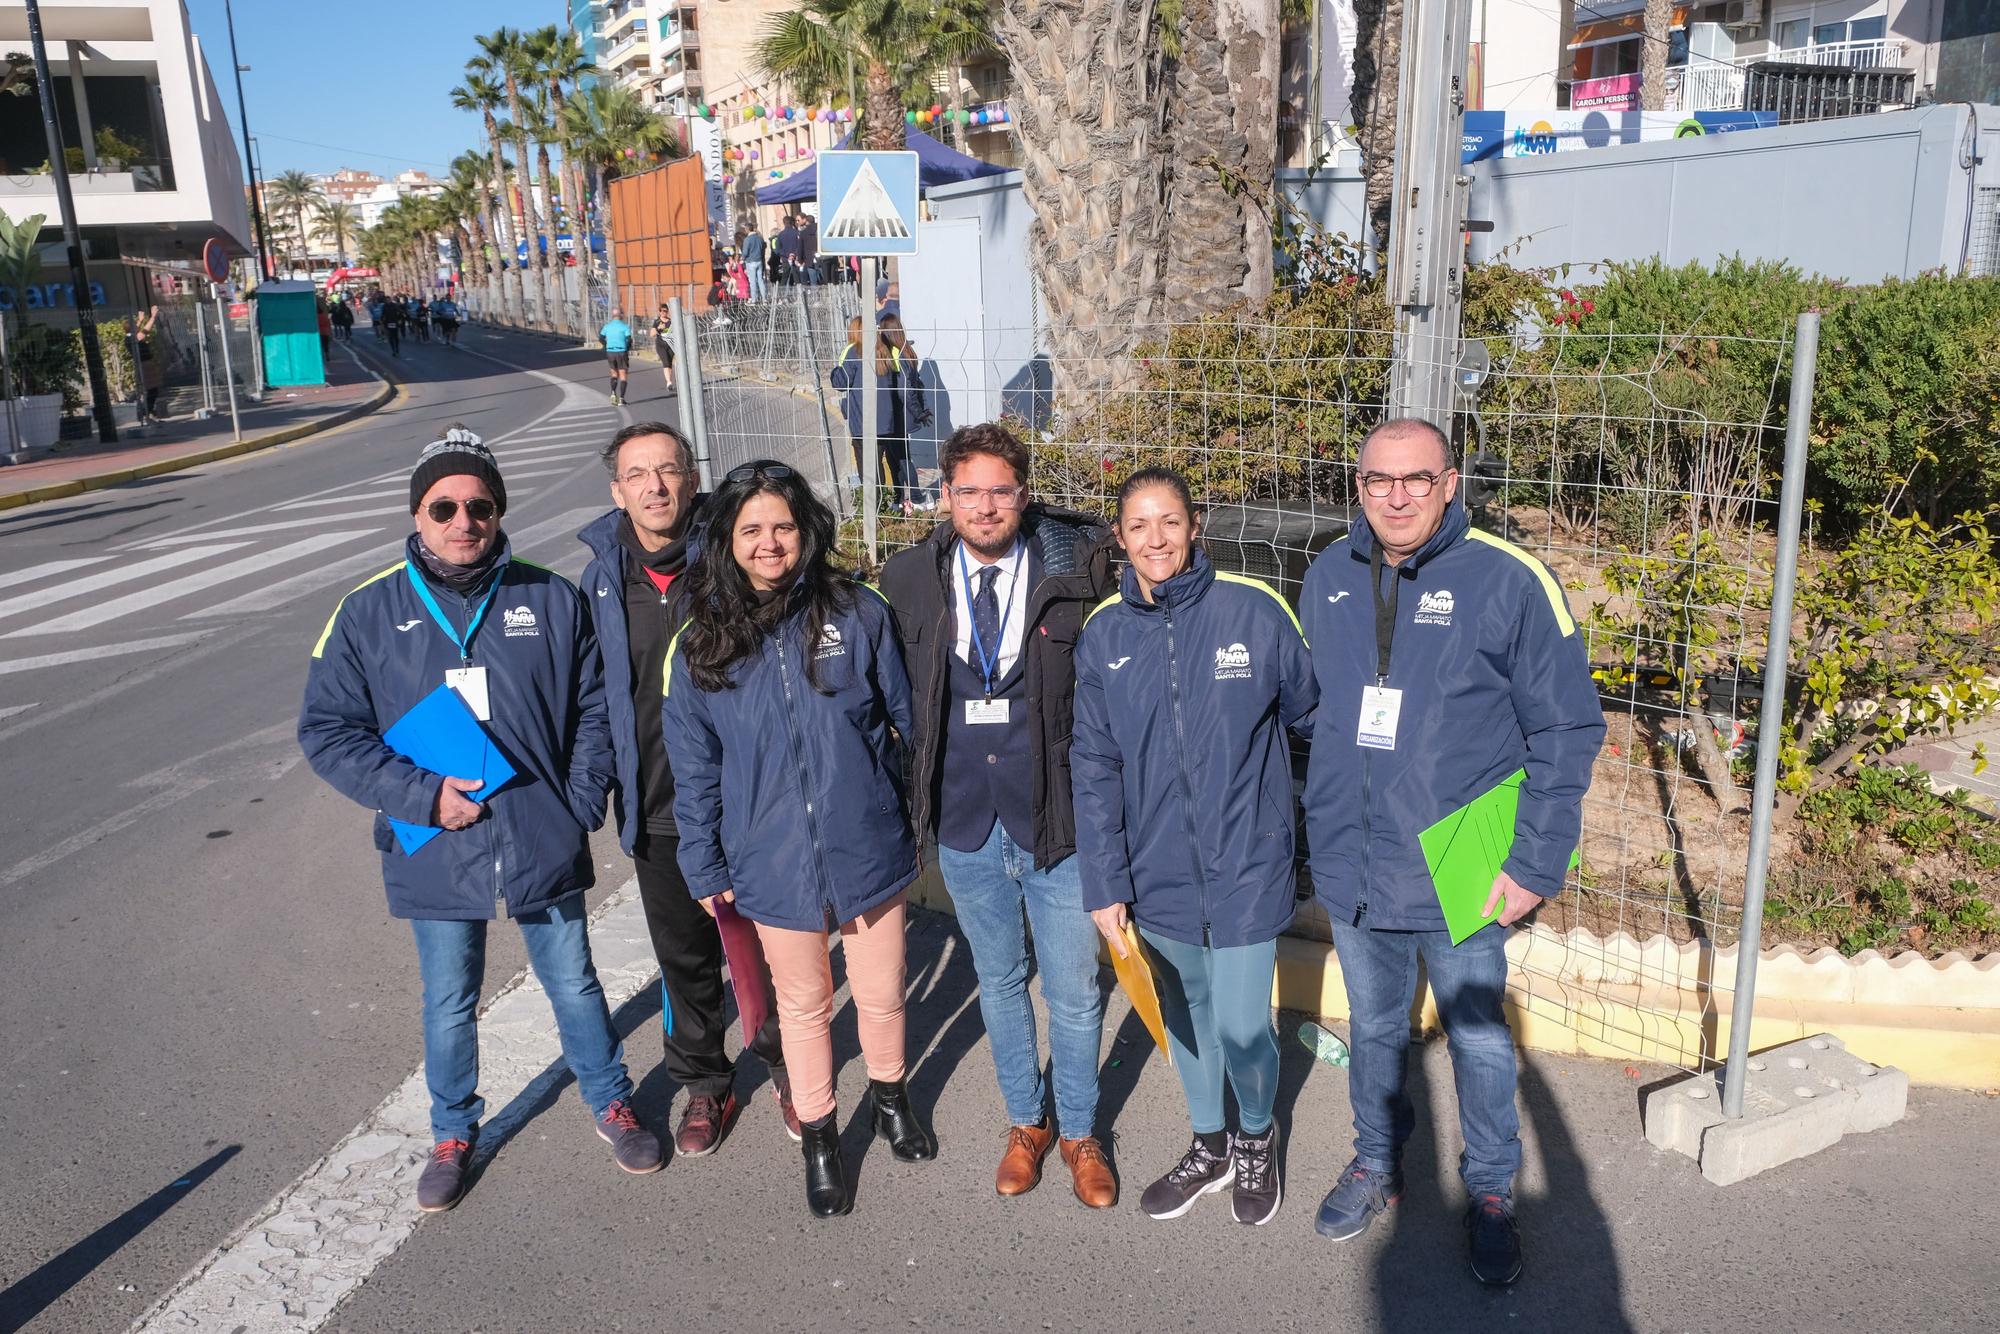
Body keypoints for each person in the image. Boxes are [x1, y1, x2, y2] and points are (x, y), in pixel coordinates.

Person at [298, 427, 663, 1214]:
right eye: (444, 506)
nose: (464, 521)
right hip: (435, 840)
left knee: (573, 980)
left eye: (481, 506)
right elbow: (326, 733)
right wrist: (419, 798)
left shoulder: (548, 596)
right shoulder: (366, 612)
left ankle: (610, 1102)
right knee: (447, 998)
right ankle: (453, 1130)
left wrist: (575, 802)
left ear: (499, 513)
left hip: (541, 831)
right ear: (418, 514)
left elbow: (594, 709)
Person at [1301, 417, 1604, 1286]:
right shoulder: (1326, 575)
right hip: (1360, 866)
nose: (1396, 497)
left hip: (1463, 866)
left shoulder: (1510, 581)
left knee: (1476, 1039)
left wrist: (1535, 864)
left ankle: (1492, 1190)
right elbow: (1314, 711)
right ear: (1357, 486)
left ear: (1451, 482)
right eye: (1377, 481)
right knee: (1375, 1031)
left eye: (1416, 480)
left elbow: (1568, 727)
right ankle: (1375, 1162)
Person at [661, 461, 935, 1218]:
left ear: (807, 530)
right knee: (806, 1006)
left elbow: (906, 725)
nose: (770, 542)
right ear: (727, 542)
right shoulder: (699, 647)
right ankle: (819, 1136)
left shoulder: (856, 612)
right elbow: (695, 770)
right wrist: (705, 859)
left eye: (783, 525)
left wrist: (914, 825)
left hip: (868, 844)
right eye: (751, 530)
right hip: (770, 860)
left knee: (881, 993)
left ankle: (890, 1098)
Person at [877, 423, 1119, 1209]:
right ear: (945, 495)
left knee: (1077, 991)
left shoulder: (1078, 567)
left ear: (1024, 494)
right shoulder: (908, 577)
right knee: (1001, 980)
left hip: (1057, 820)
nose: (985, 506)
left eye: (1001, 490)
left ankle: (1080, 1132)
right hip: (964, 821)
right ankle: (1026, 1122)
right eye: (969, 490)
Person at [1071, 467, 1318, 1226]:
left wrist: (1292, 828)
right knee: (1186, 1015)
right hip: (1158, 870)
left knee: (1244, 1024)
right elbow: (1095, 763)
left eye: (1169, 522)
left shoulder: (1255, 612)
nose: (1155, 539)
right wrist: (1105, 882)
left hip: (1247, 864)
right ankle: (1209, 1143)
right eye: (1139, 525)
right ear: (1119, 536)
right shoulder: (1105, 633)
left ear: (1194, 525)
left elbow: (1313, 722)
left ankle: (1254, 1136)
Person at [579, 423, 796, 1156]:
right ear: (617, 491)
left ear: (692, 479)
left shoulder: (731, 555)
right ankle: (706, 1084)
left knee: (773, 950)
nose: (655, 486)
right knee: (687, 962)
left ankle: (793, 1065)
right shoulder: (602, 578)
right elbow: (593, 698)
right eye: (638, 475)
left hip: (748, 804)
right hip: (658, 807)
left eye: (668, 470)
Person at [830, 314, 928, 517]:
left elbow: (840, 383)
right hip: (887, 422)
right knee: (888, 462)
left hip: (864, 423)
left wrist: (834, 370)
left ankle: (875, 514)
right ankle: (889, 505)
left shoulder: (853, 352)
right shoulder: (885, 352)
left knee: (870, 471)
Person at [133, 307, 163, 424]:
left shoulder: (132, 337)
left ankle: (149, 413)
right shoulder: (133, 339)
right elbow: (144, 331)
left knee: (152, 390)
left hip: (146, 365)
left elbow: (138, 331)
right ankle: (147, 413)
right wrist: (153, 317)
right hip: (144, 366)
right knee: (152, 390)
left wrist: (140, 320)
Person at [601, 306, 634, 406]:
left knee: (614, 373)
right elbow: (629, 339)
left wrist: (606, 345)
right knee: (623, 375)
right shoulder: (624, 326)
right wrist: (627, 349)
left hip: (610, 352)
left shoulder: (607, 326)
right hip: (621, 351)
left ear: (612, 316)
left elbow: (601, 337)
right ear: (621, 315)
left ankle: (613, 393)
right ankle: (621, 399)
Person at [649, 304, 676, 393]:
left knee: (669, 363)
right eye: (662, 311)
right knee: (665, 362)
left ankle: (669, 381)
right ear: (660, 312)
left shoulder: (671, 321)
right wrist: (658, 328)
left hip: (670, 344)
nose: (664, 312)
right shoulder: (657, 322)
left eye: (666, 311)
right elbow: (652, 334)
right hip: (661, 345)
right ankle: (669, 382)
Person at [741, 224, 768, 302]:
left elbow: (745, 252)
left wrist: (742, 258)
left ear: (747, 229)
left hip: (751, 262)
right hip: (759, 261)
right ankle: (764, 298)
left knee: (752, 281)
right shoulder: (760, 238)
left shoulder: (747, 239)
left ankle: (754, 299)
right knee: (760, 280)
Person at [774, 214, 802, 284]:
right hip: (796, 259)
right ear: (792, 223)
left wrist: (787, 255)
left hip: (785, 259)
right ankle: (800, 293)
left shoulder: (780, 234)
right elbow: (800, 246)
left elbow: (777, 250)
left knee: (784, 278)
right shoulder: (797, 233)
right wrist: (793, 254)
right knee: (797, 278)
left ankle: (781, 294)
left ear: (784, 223)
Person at [380, 292, 406, 357]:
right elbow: (383, 315)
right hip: (388, 323)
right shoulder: (384, 306)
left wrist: (400, 320)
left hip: (395, 322)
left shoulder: (394, 305)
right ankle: (393, 350)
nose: (388, 301)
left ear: (390, 300)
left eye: (389, 300)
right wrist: (382, 321)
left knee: (396, 337)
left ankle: (397, 348)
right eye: (386, 300)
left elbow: (400, 313)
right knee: (390, 337)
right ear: (385, 301)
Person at [798, 213, 821, 285]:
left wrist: (800, 260)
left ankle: (815, 295)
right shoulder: (821, 229)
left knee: (813, 281)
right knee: (826, 280)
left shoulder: (803, 232)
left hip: (809, 259)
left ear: (806, 221)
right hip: (822, 258)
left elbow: (800, 248)